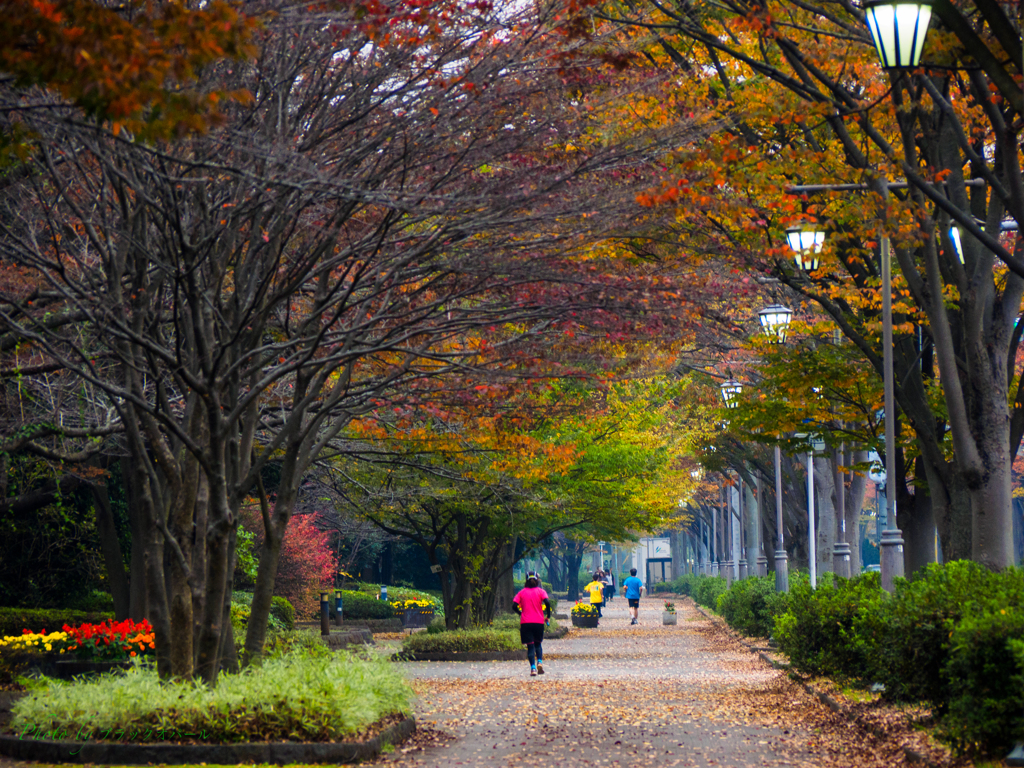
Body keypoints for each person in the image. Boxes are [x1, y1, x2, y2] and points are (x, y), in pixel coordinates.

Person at [513, 571, 552, 676]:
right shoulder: (541, 591)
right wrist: (548, 616)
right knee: (538, 644)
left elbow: (514, 605)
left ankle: (533, 668)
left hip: (526, 623)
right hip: (539, 622)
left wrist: (520, 613)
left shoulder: (521, 592)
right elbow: (547, 603)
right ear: (537, 580)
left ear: (526, 580)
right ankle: (539, 661)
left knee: (530, 646)